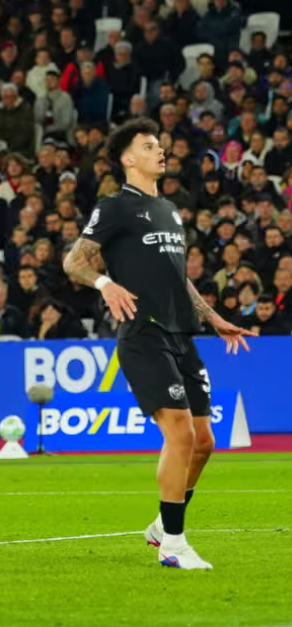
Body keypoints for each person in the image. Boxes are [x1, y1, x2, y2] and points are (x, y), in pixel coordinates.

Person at [62, 117, 254, 570]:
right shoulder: (114, 207)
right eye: (149, 146)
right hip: (143, 334)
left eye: (159, 145)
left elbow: (178, 278)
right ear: (128, 159)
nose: (160, 151)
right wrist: (105, 283)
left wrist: (212, 317)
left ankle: (162, 525)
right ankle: (173, 544)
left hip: (181, 334)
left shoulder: (169, 210)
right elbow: (74, 261)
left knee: (204, 442)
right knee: (180, 433)